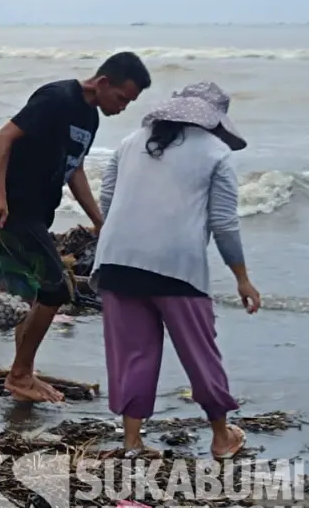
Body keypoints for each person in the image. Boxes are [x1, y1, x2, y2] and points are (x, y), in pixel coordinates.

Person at [92, 82, 261, 459]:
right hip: (176, 268)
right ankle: (221, 437)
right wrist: (242, 278)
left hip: (117, 262)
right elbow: (223, 223)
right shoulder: (217, 152)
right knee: (200, 353)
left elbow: (107, 198)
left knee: (132, 353)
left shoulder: (131, 141)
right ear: (213, 119)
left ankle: (132, 443)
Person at [0, 52, 151, 402]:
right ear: (103, 83)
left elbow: (74, 170)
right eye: (122, 98)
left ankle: (23, 373)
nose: (122, 107)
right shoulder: (57, 98)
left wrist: (99, 221)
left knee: (30, 292)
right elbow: (2, 138)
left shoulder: (90, 117)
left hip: (39, 211)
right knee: (56, 289)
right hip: (15, 209)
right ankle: (19, 375)